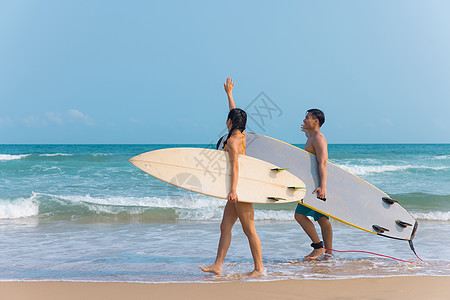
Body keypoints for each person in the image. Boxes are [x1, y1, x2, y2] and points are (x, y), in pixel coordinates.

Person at [199, 78, 264, 277]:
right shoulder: (240, 135)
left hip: (240, 188)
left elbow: (235, 165)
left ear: (229, 122)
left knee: (249, 229)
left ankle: (259, 268)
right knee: (225, 226)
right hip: (235, 188)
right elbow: (235, 114)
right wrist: (229, 94)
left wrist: (234, 190)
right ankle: (218, 265)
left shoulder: (234, 141)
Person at [294, 109, 333, 259]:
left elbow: (323, 163)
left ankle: (318, 247)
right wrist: (307, 132)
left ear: (316, 121)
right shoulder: (312, 136)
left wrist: (322, 186)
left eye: (307, 118)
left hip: (315, 185)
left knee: (299, 215)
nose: (304, 120)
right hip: (314, 183)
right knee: (323, 219)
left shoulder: (319, 138)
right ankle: (329, 254)